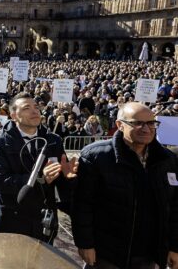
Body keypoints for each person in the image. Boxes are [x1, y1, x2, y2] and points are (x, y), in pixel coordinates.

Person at [72, 102, 178, 269]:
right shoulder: (96, 156)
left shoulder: (168, 160)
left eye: (151, 123)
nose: (146, 129)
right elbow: (83, 205)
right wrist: (85, 244)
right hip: (106, 255)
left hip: (148, 255)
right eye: (137, 123)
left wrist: (174, 247)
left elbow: (174, 207)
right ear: (119, 125)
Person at [0, 92, 77, 244]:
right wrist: (38, 178)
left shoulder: (53, 141)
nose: (35, 111)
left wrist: (69, 177)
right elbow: (0, 181)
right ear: (14, 115)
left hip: (44, 224)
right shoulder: (0, 142)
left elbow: (62, 184)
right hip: (13, 223)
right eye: (26, 108)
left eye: (36, 107)